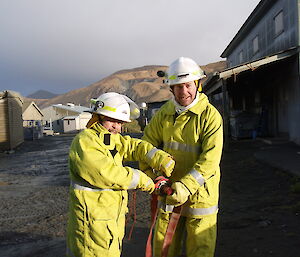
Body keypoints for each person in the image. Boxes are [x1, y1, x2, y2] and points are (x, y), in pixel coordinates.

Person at [66, 92, 175, 257]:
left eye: (120, 122)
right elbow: (108, 174)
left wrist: (158, 157)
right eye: (112, 120)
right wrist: (144, 181)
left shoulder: (108, 138)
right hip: (92, 228)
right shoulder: (85, 142)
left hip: (107, 223)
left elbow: (131, 146)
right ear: (98, 117)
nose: (116, 127)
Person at [141, 57, 223, 257]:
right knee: (165, 250)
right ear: (171, 89)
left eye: (187, 85)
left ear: (197, 85)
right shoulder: (164, 114)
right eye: (178, 86)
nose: (183, 91)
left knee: (200, 251)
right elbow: (145, 147)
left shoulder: (210, 117)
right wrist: (153, 176)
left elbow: (210, 160)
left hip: (200, 198)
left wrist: (186, 186)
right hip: (169, 192)